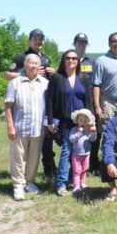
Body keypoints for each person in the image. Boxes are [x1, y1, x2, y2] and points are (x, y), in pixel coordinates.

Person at [5, 29, 57, 179]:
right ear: (30, 41)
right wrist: (29, 72)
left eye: (41, 39)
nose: (38, 42)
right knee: (23, 148)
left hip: (42, 105)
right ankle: (20, 178)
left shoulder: (46, 58)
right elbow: (8, 75)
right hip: (24, 101)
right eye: (35, 39)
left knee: (45, 145)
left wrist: (52, 74)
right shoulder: (22, 57)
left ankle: (48, 171)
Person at [46, 50, 95, 196]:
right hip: (65, 122)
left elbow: (89, 101)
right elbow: (49, 100)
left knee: (79, 152)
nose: (71, 60)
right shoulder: (56, 78)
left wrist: (91, 121)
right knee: (66, 152)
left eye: (74, 58)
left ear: (78, 61)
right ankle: (61, 184)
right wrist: (50, 121)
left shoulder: (83, 78)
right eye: (68, 58)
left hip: (83, 122)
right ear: (63, 60)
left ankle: (74, 180)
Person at [4, 54, 49, 201]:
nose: (34, 66)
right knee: (18, 158)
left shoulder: (44, 83)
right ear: (25, 64)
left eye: (37, 63)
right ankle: (18, 185)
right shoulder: (15, 83)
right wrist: (10, 127)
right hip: (19, 127)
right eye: (31, 63)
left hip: (38, 128)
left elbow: (49, 107)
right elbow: (8, 106)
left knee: (34, 158)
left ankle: (29, 182)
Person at [92, 32, 117, 201]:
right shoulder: (101, 61)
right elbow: (96, 85)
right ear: (109, 43)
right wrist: (97, 106)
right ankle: (111, 185)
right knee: (108, 142)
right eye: (114, 41)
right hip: (107, 103)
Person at [72, 32, 99, 174]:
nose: (81, 45)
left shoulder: (91, 62)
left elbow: (95, 83)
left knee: (92, 130)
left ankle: (92, 163)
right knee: (75, 131)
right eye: (79, 42)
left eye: (84, 42)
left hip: (88, 102)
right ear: (74, 44)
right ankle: (74, 163)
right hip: (74, 101)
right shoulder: (70, 59)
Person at [68, 108, 97, 196]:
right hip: (77, 154)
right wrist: (79, 133)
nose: (83, 122)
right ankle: (76, 186)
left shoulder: (88, 130)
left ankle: (82, 183)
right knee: (77, 170)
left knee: (84, 170)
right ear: (77, 120)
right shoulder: (74, 129)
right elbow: (71, 139)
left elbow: (92, 139)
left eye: (85, 120)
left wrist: (93, 132)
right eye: (80, 120)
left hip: (86, 154)